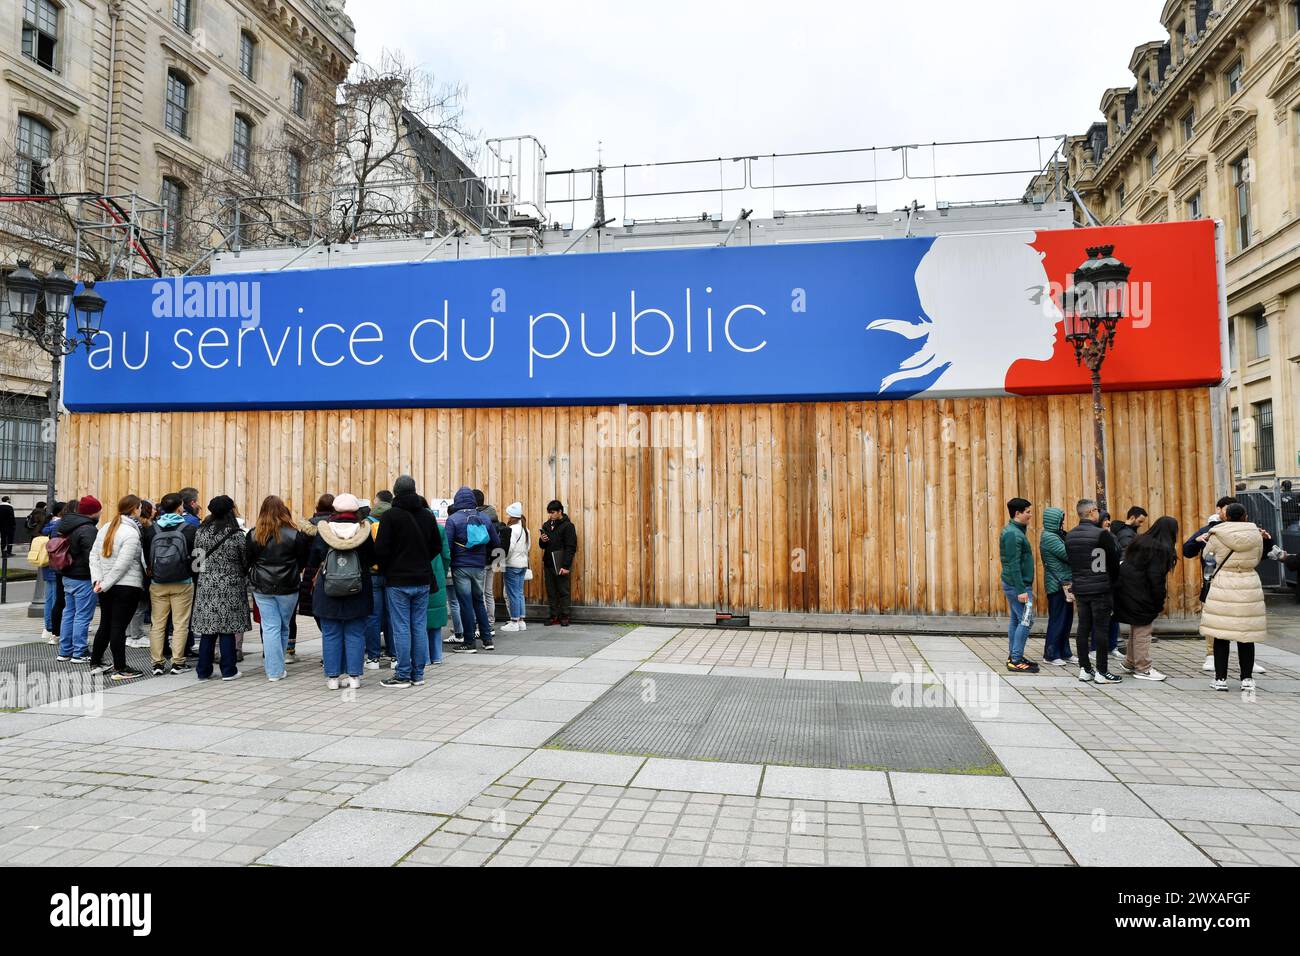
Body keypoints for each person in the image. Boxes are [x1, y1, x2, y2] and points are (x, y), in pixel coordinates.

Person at [1185, 496, 1269, 674]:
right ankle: (1246, 676)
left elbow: (1208, 558)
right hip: (1248, 582)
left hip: (1222, 582)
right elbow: (1261, 556)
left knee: (1219, 628)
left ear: (1226, 514)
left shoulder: (1214, 534)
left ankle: (1220, 677)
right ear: (1245, 516)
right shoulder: (1256, 534)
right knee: (1245, 628)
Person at [375, 477, 443, 686]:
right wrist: (421, 560)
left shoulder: (389, 517)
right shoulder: (427, 516)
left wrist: (390, 566)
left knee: (401, 627)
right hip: (422, 579)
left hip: (397, 581)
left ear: (396, 492)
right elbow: (436, 546)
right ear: (414, 490)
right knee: (419, 626)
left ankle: (403, 674)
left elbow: (381, 551)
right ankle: (418, 674)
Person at [310, 492, 374, 690]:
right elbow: (372, 558)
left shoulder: (325, 530)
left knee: (331, 633)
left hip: (328, 589)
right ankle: (354, 677)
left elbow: (313, 559)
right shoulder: (363, 530)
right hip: (358, 589)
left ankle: (332, 678)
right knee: (355, 633)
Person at [246, 495, 310, 683]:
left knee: (270, 627)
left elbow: (248, 560)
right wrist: (293, 571)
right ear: (283, 510)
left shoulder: (253, 534)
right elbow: (302, 560)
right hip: (288, 585)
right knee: (283, 626)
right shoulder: (294, 534)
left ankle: (274, 670)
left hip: (261, 585)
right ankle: (276, 668)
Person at [189, 496, 249, 682]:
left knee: (208, 630)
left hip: (206, 585)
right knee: (227, 629)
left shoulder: (201, 532)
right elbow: (245, 562)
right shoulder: (236, 534)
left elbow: (196, 562)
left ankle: (203, 671)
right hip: (231, 585)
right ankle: (229, 670)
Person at [86, 495, 146, 681]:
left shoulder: (105, 527)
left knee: (106, 624)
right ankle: (120, 668)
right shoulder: (131, 533)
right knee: (118, 626)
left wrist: (98, 581)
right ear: (135, 509)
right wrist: (104, 583)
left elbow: (93, 556)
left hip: (105, 586)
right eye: (140, 508)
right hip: (126, 586)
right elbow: (123, 564)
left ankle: (96, 663)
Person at [1065, 498, 1123, 685]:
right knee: (1101, 630)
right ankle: (1102, 671)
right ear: (1091, 512)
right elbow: (1114, 563)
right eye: (1097, 511)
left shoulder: (1070, 535)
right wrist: (1112, 583)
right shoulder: (1101, 534)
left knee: (1083, 628)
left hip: (1081, 587)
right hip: (1101, 588)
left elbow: (1071, 562)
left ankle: (1084, 669)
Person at [1114, 516, 1178, 682]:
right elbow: (1155, 577)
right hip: (1140, 592)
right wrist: (1159, 599)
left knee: (1137, 627)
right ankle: (1143, 668)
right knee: (1143, 629)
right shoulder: (1160, 548)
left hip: (1125, 588)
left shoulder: (1141, 540)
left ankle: (1129, 662)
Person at [143, 493, 198, 676]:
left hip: (157, 582)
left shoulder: (152, 529)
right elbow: (198, 556)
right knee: (180, 623)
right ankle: (177, 662)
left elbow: (145, 556)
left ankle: (157, 664)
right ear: (180, 507)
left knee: (157, 623)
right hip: (183, 581)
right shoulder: (189, 529)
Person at [446, 485, 500, 653]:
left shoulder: (453, 519)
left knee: (465, 603)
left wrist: (448, 564)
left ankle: (469, 642)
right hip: (479, 566)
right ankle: (487, 639)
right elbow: (496, 543)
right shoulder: (484, 517)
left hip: (461, 566)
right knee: (479, 601)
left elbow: (447, 546)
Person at [55, 496, 102, 664]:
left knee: (69, 613)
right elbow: (92, 556)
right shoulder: (88, 529)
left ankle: (64, 650)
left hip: (67, 575)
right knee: (82, 615)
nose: (100, 513)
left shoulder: (66, 525)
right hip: (83, 577)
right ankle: (79, 652)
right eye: (99, 510)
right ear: (92, 512)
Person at [998, 498, 1038, 673]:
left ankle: (1014, 655)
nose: (1030, 515)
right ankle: (1015, 659)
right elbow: (1013, 564)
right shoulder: (1013, 534)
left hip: (1017, 585)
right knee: (1027, 619)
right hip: (1017, 586)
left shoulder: (1016, 531)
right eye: (1028, 512)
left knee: (1017, 619)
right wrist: (1022, 590)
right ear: (1017, 513)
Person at [1038, 506, 1074, 667]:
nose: (1063, 523)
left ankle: (1064, 652)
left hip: (1065, 583)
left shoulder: (1057, 536)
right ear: (1055, 521)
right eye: (1061, 520)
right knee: (1058, 620)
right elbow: (1069, 555)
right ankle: (1051, 654)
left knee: (1066, 620)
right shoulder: (1049, 537)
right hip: (1057, 584)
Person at [364, 490, 394, 669]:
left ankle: (373, 658)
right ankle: (394, 656)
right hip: (392, 574)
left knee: (373, 616)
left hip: (373, 574)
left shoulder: (367, 522)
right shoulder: (396, 518)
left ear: (376, 502)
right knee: (393, 615)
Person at [539, 499, 578, 628]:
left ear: (560, 511)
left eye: (553, 512)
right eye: (549, 513)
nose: (550, 515)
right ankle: (554, 615)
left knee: (563, 591)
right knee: (551, 591)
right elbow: (542, 545)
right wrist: (542, 540)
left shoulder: (568, 526)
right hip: (549, 563)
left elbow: (571, 547)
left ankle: (565, 616)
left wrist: (566, 566)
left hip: (561, 563)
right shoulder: (546, 525)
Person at [425, 502, 452, 666]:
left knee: (420, 618)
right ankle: (436, 655)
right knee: (435, 618)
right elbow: (447, 555)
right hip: (438, 575)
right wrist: (442, 569)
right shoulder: (440, 529)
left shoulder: (415, 530)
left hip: (419, 574)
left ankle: (424, 657)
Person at [474, 489, 503, 635]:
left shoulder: (478, 518)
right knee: (489, 593)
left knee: (480, 594)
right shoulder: (495, 518)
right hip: (492, 560)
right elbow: (498, 542)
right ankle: (490, 623)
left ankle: (482, 625)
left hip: (480, 560)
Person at [500, 502, 530, 632]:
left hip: (512, 565)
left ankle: (514, 621)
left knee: (512, 594)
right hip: (523, 564)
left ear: (512, 516)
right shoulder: (525, 529)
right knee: (519, 593)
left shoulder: (512, 529)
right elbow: (528, 547)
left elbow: (509, 548)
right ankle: (521, 621)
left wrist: (503, 560)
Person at [41, 502, 66, 645]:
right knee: (57, 598)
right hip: (57, 564)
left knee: (50, 597)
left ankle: (48, 627)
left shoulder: (47, 524)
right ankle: (52, 627)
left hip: (48, 564)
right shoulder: (60, 525)